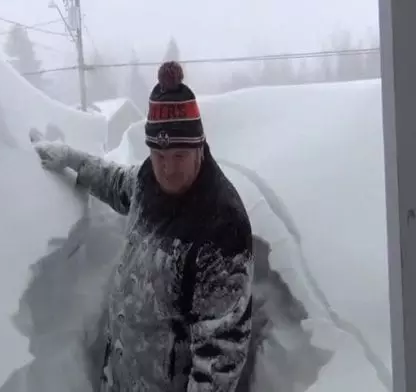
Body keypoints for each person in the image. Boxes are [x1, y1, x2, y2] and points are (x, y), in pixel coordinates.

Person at [34, 61, 253, 392]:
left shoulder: (221, 226)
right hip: (122, 377)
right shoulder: (147, 180)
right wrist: (72, 160)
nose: (167, 169)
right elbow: (115, 181)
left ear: (199, 146)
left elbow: (219, 360)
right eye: (158, 155)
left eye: (178, 156)